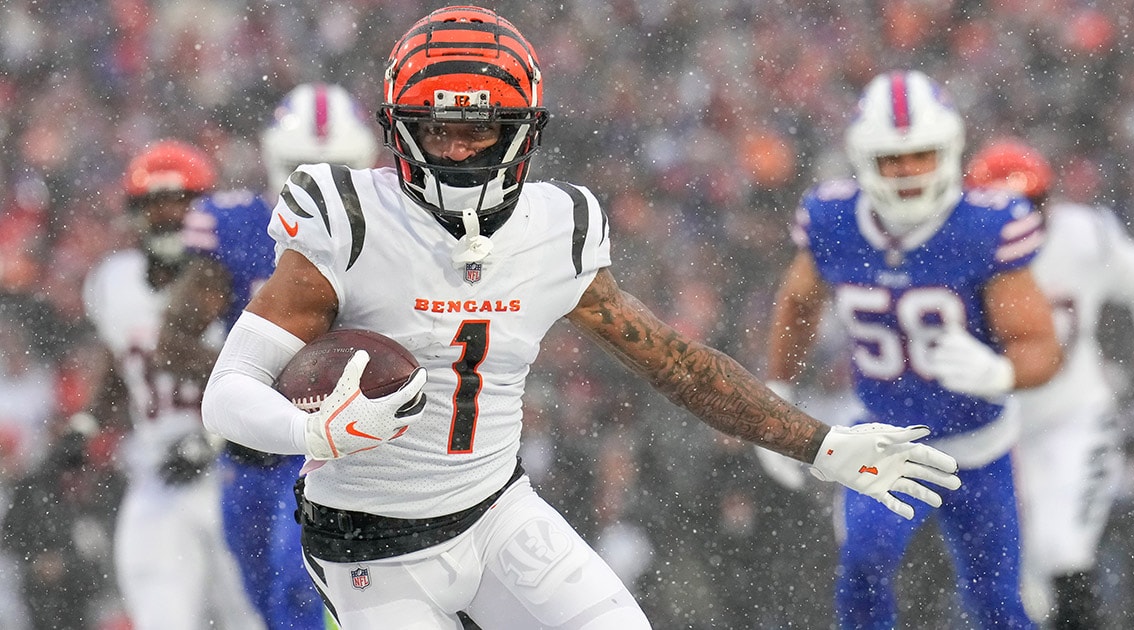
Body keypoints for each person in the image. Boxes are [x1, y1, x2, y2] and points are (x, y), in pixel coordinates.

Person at [200, 8, 961, 629]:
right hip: (366, 543)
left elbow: (678, 365)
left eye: (482, 129)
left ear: (524, 128)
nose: (461, 148)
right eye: (439, 129)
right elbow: (228, 391)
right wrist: (312, 435)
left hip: (497, 512)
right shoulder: (350, 220)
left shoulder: (557, 227)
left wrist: (820, 444)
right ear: (401, 128)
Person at [757, 70, 1062, 629]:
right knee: (863, 568)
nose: (906, 172)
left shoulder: (987, 226)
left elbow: (1041, 348)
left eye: (921, 156)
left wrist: (999, 370)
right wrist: (776, 395)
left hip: (980, 442)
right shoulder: (833, 221)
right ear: (862, 159)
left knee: (995, 601)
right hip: (885, 437)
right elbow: (798, 306)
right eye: (892, 159)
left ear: (949, 151)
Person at [160, 82, 378, 630]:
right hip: (253, 449)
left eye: (335, 166)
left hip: (337, 449)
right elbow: (174, 338)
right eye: (306, 164)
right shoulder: (235, 226)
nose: (321, 179)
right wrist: (258, 382)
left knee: (303, 586)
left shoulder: (391, 232)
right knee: (270, 604)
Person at [964, 138, 1134, 629]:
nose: (1021, 219)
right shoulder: (951, 256)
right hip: (994, 432)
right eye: (1005, 208)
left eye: (1032, 204)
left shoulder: (1082, 238)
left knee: (1062, 550)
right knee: (1010, 580)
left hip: (1074, 416)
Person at [82, 140, 266, 630]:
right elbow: (120, 359)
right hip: (158, 474)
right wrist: (85, 423)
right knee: (163, 615)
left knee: (254, 616)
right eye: (154, 206)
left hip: (237, 469)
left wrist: (212, 440)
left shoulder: (231, 276)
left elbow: (266, 376)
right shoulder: (113, 282)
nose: (166, 218)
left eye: (179, 204)